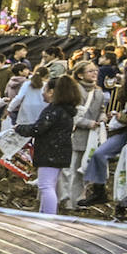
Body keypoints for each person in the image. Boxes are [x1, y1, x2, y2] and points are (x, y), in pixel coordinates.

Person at [82, 60, 127, 207]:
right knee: (99, 154)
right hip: (125, 130)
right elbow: (123, 101)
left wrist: (122, 117)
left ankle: (126, 204)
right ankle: (99, 190)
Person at [14, 75, 82, 215]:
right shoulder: (67, 111)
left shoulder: (53, 110)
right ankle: (44, 213)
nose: (43, 93)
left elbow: (38, 128)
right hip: (60, 151)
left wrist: (19, 128)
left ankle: (49, 216)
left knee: (45, 186)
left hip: (49, 151)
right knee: (49, 184)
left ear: (52, 92)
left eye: (45, 90)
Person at [64, 60, 105, 211]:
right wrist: (88, 123)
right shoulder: (75, 91)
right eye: (90, 71)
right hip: (77, 135)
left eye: (95, 71)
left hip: (92, 137)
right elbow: (72, 115)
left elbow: (101, 109)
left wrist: (102, 117)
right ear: (80, 75)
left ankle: (80, 198)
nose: (95, 73)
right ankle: (71, 201)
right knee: (74, 169)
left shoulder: (98, 91)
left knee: (85, 170)